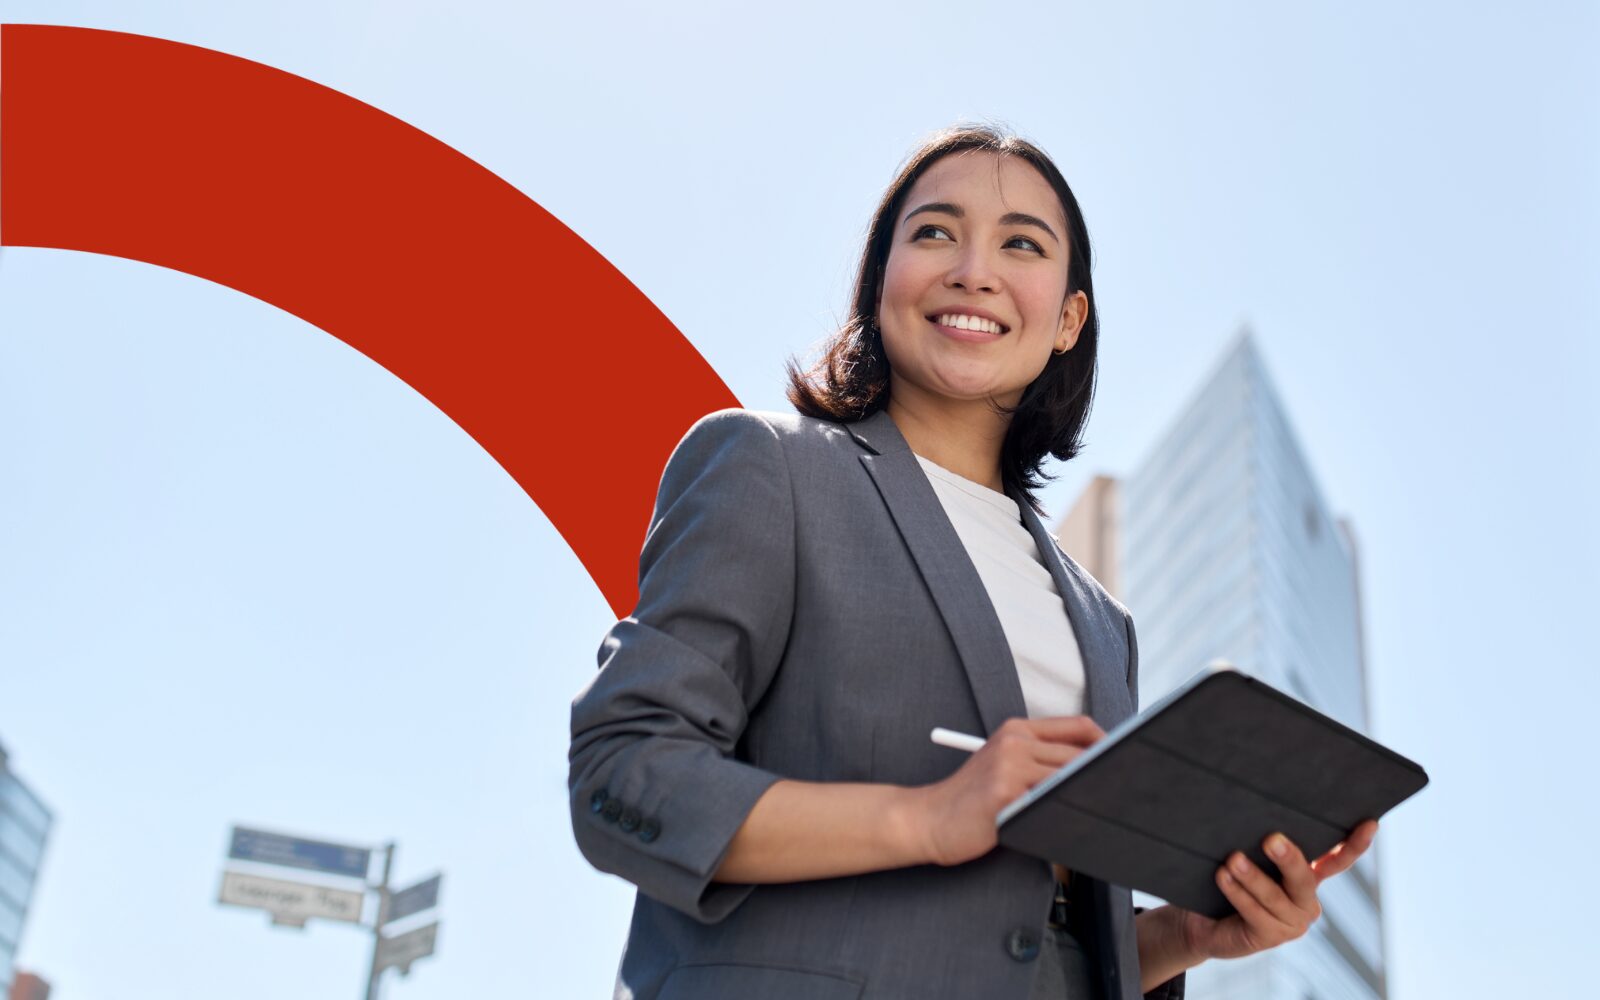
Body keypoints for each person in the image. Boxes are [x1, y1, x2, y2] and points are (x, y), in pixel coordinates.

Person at [568, 123, 1378, 1000]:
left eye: (1021, 244)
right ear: (883, 282)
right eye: (933, 233)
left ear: (1069, 318)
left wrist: (1182, 935)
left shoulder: (1105, 625)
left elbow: (1031, 945)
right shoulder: (770, 468)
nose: (972, 270)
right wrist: (926, 816)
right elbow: (625, 774)